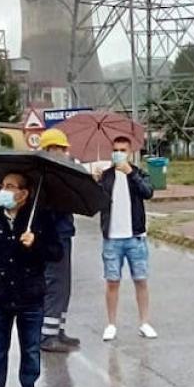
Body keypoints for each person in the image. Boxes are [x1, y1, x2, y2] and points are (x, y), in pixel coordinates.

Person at [0, 172, 63, 387]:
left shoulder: (40, 219)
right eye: (3, 185)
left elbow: (57, 253)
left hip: (30, 295)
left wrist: (36, 243)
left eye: (11, 187)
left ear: (24, 193)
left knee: (31, 348)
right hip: (0, 295)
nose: (5, 190)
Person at [95, 135, 156, 341]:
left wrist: (132, 175)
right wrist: (95, 182)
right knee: (112, 281)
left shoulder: (138, 173)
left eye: (123, 150)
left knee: (141, 279)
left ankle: (145, 322)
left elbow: (148, 192)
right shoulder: (106, 176)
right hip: (112, 237)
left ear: (130, 152)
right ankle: (111, 324)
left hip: (135, 236)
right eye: (116, 150)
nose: (119, 153)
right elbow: (96, 203)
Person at [37, 128, 81, 353]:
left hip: (63, 235)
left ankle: (58, 330)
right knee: (55, 286)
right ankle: (47, 336)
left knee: (64, 287)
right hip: (52, 239)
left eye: (64, 149)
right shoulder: (44, 178)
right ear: (49, 150)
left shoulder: (58, 175)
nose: (64, 152)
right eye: (60, 149)